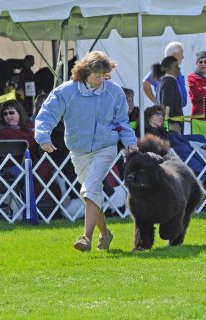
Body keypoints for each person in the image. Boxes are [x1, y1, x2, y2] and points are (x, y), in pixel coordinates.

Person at [34, 51, 138, 252]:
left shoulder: (115, 92)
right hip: (78, 150)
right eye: (98, 75)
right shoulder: (66, 91)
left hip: (105, 147)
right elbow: (47, 113)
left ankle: (86, 238)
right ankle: (105, 234)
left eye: (105, 75)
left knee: (90, 188)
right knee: (91, 193)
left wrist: (129, 142)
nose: (102, 79)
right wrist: (43, 138)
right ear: (85, 72)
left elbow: (122, 123)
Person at [143, 42, 187, 108]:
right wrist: (156, 101)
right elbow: (145, 82)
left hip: (177, 111)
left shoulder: (175, 69)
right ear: (174, 55)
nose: (183, 56)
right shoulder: (162, 69)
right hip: (168, 113)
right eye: (181, 54)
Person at [153, 56, 183, 133]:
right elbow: (166, 104)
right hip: (171, 125)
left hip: (165, 123)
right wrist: (167, 123)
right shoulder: (170, 81)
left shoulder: (162, 81)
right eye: (176, 66)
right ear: (167, 69)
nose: (179, 68)